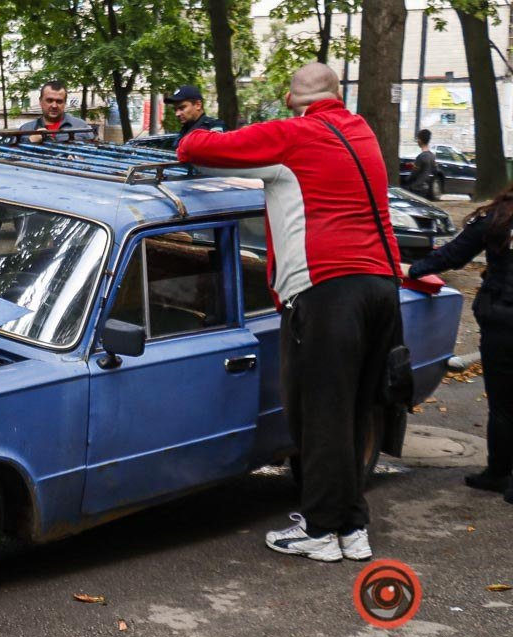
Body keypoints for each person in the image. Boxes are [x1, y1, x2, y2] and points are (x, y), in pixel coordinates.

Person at [177, 62, 404, 563]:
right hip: (381, 289)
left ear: (289, 98)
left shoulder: (292, 136)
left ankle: (322, 531)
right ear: (337, 95)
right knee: (352, 413)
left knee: (317, 415)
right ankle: (351, 527)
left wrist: (203, 132)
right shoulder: (362, 130)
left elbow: (195, 148)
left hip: (327, 292)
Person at [408, 188, 513, 504]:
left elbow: (453, 254)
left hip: (502, 320)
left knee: (503, 402)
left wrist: (412, 270)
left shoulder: (498, 217)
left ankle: (498, 472)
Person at [18, 81, 94, 142]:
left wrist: (79, 157)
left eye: (59, 101)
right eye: (49, 100)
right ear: (40, 101)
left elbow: (95, 153)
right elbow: (12, 157)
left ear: (64, 103)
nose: (54, 106)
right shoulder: (26, 129)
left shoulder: (81, 127)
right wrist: (29, 141)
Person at [407, 129, 438, 200]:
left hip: (415, 188)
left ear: (420, 140)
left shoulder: (421, 157)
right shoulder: (432, 156)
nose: (417, 141)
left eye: (418, 138)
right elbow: (435, 171)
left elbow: (414, 174)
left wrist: (406, 180)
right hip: (425, 188)